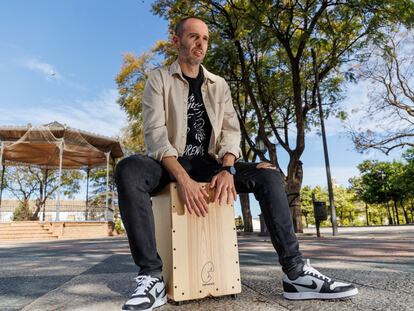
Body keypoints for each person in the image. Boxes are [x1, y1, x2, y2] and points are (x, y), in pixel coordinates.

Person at [115, 16, 358, 311]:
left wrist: (228, 168)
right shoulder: (159, 79)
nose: (200, 44)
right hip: (169, 164)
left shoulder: (219, 85)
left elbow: (231, 133)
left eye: (204, 39)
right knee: (128, 169)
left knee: (269, 175)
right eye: (193, 37)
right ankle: (151, 277)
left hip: (211, 162)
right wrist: (182, 178)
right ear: (177, 41)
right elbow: (155, 135)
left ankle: (295, 274)